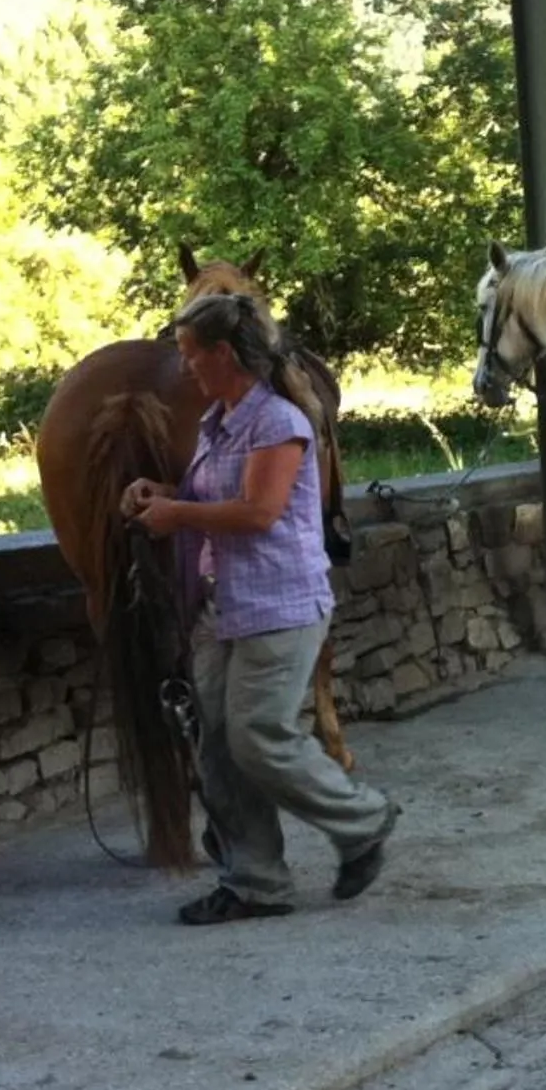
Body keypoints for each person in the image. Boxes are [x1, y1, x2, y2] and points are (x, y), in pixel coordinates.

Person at [122, 290, 398, 925]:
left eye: (192, 355)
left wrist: (178, 514)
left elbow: (259, 511)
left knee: (256, 735)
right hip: (223, 605)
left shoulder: (278, 422)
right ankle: (255, 882)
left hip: (281, 605)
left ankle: (363, 820)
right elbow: (213, 495)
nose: (185, 366)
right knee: (216, 745)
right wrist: (157, 495)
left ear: (223, 354)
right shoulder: (217, 424)